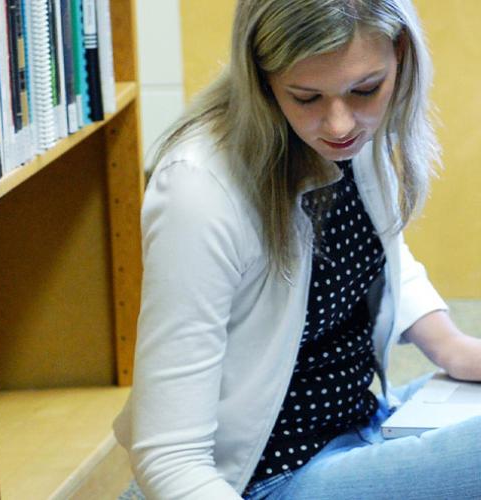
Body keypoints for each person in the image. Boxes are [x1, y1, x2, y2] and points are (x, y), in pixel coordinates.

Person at [114, 1, 481, 498]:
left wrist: (452, 347)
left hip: (366, 421)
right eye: (306, 97)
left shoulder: (347, 134)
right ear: (263, 79)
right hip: (265, 477)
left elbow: (375, 251)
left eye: (366, 90)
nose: (339, 125)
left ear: (399, 55)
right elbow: (168, 456)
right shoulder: (198, 191)